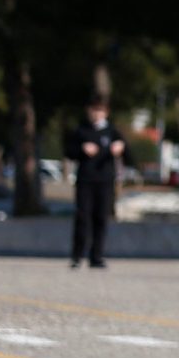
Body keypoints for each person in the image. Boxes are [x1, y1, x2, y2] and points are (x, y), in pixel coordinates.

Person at [65, 95, 127, 269]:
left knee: (101, 218)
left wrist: (120, 148)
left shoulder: (112, 132)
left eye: (100, 110)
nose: (96, 114)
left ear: (106, 112)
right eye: (93, 110)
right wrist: (82, 149)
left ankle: (97, 256)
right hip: (85, 180)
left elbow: (128, 154)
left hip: (105, 181)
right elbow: (69, 152)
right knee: (83, 217)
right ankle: (77, 256)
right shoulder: (81, 131)